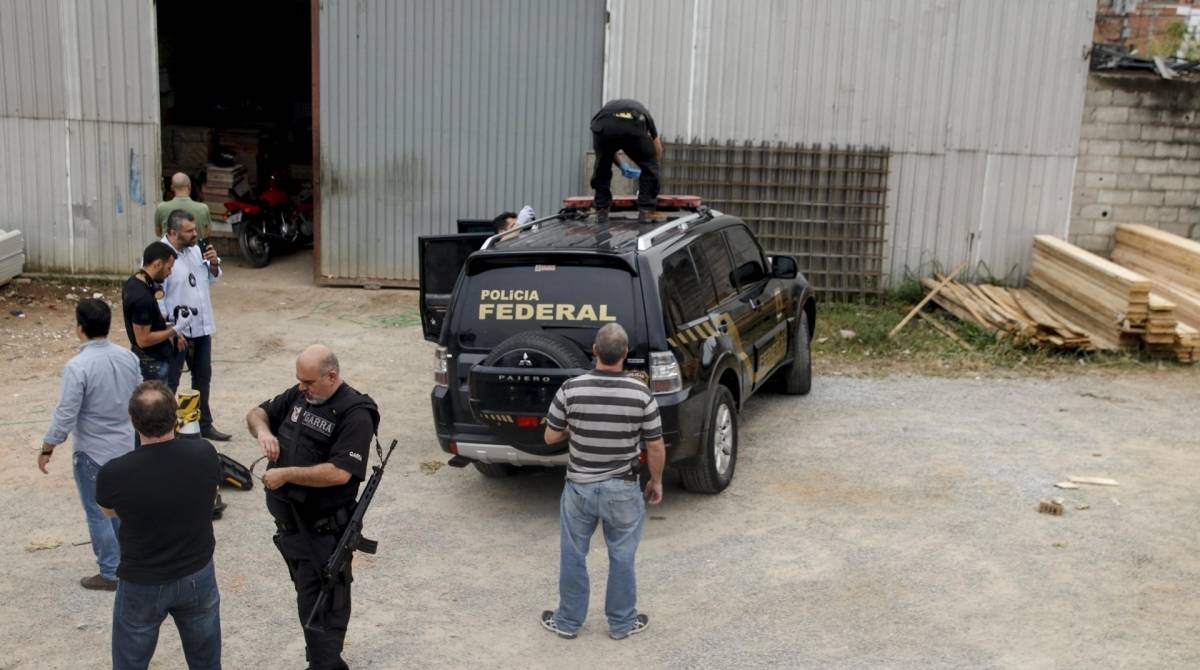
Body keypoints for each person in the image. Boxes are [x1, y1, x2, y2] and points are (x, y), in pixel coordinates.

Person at [247, 344, 380, 670]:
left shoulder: (354, 414)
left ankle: (326, 664)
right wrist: (264, 433)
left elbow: (339, 473)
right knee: (308, 604)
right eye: (299, 381)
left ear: (331, 376)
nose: (302, 388)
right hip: (293, 529)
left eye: (308, 382)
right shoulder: (300, 394)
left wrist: (286, 474)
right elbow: (257, 413)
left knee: (324, 607)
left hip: (323, 533)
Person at [540, 322, 665, 640]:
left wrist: (574, 427)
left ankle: (567, 622)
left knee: (573, 553)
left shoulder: (571, 388)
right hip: (622, 488)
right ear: (625, 353)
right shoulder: (641, 392)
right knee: (622, 555)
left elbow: (550, 435)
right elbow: (654, 444)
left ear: (594, 350)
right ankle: (622, 624)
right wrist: (657, 481)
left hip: (579, 487)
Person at [96, 381, 222, 670]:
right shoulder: (204, 452)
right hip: (196, 573)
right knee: (206, 661)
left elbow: (108, 511)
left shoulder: (114, 473)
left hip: (143, 580)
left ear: (132, 419)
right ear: (175, 415)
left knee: (130, 661)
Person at [37, 299, 141, 591]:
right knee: (121, 509)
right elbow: (140, 396)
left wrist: (48, 446)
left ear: (79, 328)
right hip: (125, 446)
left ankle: (110, 571)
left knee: (97, 513)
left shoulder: (78, 367)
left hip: (93, 451)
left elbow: (66, 413)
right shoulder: (127, 358)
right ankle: (127, 564)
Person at [161, 209, 230, 441]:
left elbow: (211, 278)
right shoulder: (160, 255)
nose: (194, 234)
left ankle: (203, 423)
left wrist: (212, 263)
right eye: (189, 231)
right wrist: (170, 329)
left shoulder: (195, 250)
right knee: (171, 381)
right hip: (177, 331)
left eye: (194, 230)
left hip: (201, 326)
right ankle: (166, 429)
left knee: (202, 377)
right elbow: (157, 296)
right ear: (173, 232)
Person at [590, 98, 664, 222]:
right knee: (650, 165)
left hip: (602, 124)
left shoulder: (609, 108)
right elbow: (658, 148)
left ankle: (601, 210)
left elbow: (607, 151)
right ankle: (646, 210)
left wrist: (621, 165)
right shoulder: (645, 115)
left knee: (602, 166)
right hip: (632, 124)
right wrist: (651, 169)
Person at [122, 241, 186, 385]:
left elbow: (149, 320)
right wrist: (175, 329)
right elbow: (143, 339)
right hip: (152, 363)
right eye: (169, 268)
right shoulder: (142, 297)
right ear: (157, 264)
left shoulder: (136, 282)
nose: (170, 273)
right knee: (157, 404)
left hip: (150, 359)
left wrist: (170, 324)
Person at [155, 172, 212, 238]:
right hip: (195, 247)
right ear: (189, 186)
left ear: (172, 187)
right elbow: (207, 232)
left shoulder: (161, 208)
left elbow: (158, 233)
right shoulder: (203, 208)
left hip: (168, 248)